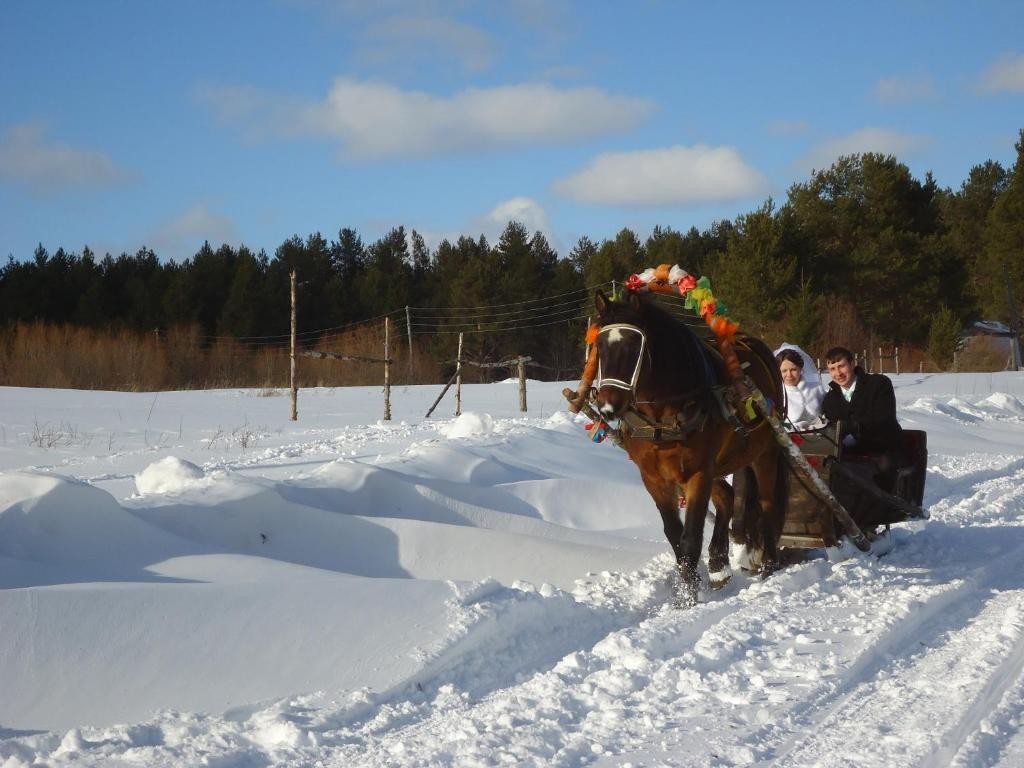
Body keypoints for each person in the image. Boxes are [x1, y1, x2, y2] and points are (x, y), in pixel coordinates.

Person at [822, 345, 905, 493]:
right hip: (850, 451)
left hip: (883, 447)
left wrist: (855, 427)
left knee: (884, 466)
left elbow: (885, 418)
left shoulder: (879, 384)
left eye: (841, 366)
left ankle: (885, 508)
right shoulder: (830, 399)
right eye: (832, 369)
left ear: (853, 364)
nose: (838, 373)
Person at [774, 344, 826, 431]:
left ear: (801, 369)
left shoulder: (816, 389)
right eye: (784, 371)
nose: (789, 375)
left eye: (793, 369)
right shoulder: (778, 395)